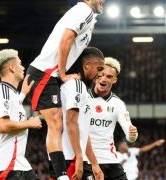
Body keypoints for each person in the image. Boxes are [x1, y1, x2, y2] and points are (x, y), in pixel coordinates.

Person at [26, 0, 104, 179]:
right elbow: (66, 39)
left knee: (58, 124)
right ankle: (61, 175)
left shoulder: (89, 17)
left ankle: (58, 174)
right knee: (56, 123)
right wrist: (62, 74)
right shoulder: (83, 11)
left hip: (50, 74)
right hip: (45, 72)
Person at [49, 47, 105, 180]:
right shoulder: (76, 85)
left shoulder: (80, 88)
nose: (100, 74)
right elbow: (70, 122)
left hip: (73, 157)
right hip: (70, 158)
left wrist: (94, 164)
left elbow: (83, 132)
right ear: (87, 65)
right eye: (99, 69)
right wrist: (79, 156)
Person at [0, 49, 43, 180]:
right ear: (12, 68)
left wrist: (23, 93)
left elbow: (13, 107)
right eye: (20, 63)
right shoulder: (2, 92)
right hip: (7, 165)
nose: (23, 67)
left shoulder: (10, 94)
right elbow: (2, 125)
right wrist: (29, 123)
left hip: (19, 164)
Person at [87, 57, 138, 180]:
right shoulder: (82, 98)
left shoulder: (117, 104)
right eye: (101, 75)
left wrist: (132, 134)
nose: (104, 79)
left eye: (109, 76)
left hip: (110, 160)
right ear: (95, 76)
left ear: (115, 80)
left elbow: (130, 135)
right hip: (86, 160)